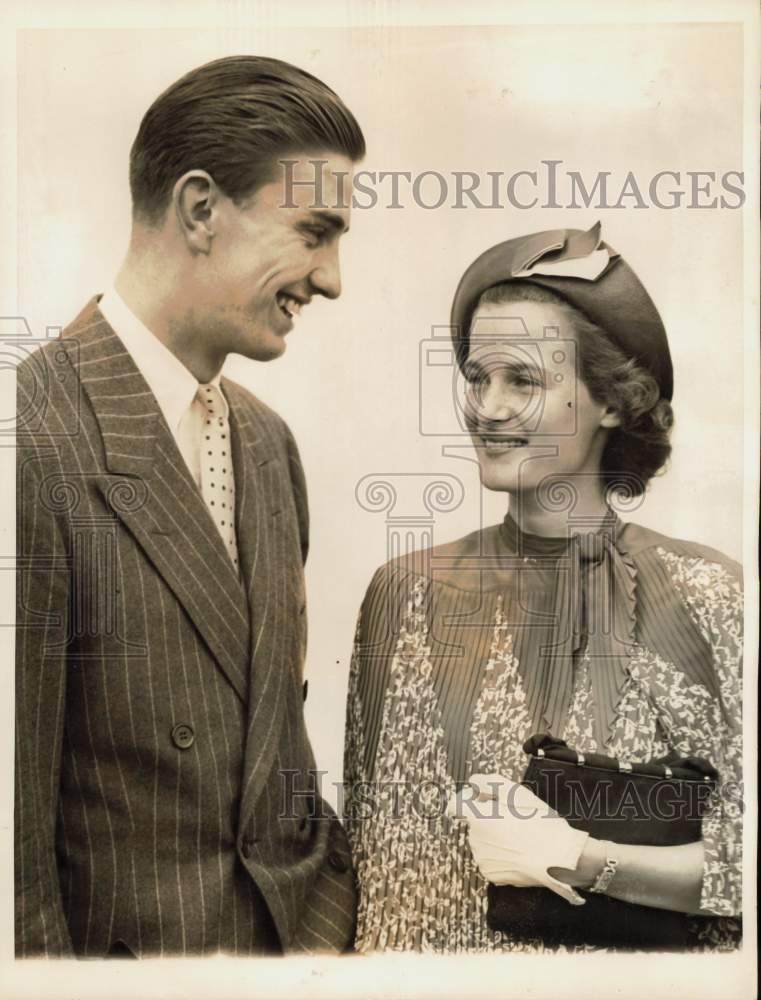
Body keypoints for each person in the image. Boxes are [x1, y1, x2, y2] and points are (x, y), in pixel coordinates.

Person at [15, 55, 365, 958]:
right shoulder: (28, 437)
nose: (330, 280)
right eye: (314, 231)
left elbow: (276, 760)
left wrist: (321, 934)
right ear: (201, 209)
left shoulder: (266, 443)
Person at [343, 222, 743, 953]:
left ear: (614, 400)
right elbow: (376, 866)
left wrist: (583, 863)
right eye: (475, 376)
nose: (486, 408)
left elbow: (743, 863)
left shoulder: (710, 595)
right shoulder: (404, 592)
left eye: (523, 379)